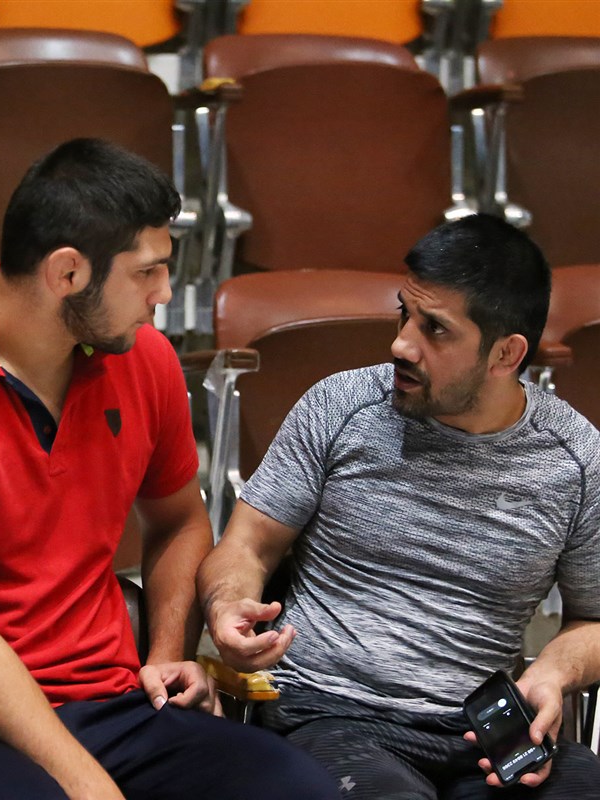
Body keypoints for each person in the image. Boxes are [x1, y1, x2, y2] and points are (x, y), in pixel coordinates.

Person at [0, 138, 339, 800]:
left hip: (113, 700)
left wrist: (166, 657)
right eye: (147, 272)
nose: (165, 293)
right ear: (68, 273)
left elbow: (179, 521)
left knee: (301, 790)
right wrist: (89, 786)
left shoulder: (145, 358)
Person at [198, 214, 600, 799]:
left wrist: (554, 671)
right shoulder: (341, 406)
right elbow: (246, 545)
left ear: (506, 354)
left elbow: (595, 618)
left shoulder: (576, 458)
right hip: (330, 712)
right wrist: (229, 604)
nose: (401, 344)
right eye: (403, 314)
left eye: (434, 329)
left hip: (480, 728)